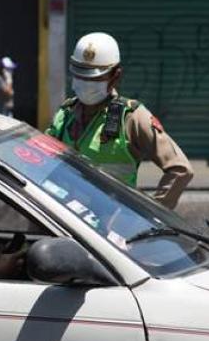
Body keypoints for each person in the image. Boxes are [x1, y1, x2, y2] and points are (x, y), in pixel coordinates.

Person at [48, 32, 193, 209]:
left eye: (95, 78)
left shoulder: (131, 117)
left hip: (112, 230)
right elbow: (44, 165)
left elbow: (180, 170)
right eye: (81, 75)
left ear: (115, 76)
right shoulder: (64, 115)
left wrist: (151, 215)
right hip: (64, 223)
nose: (86, 83)